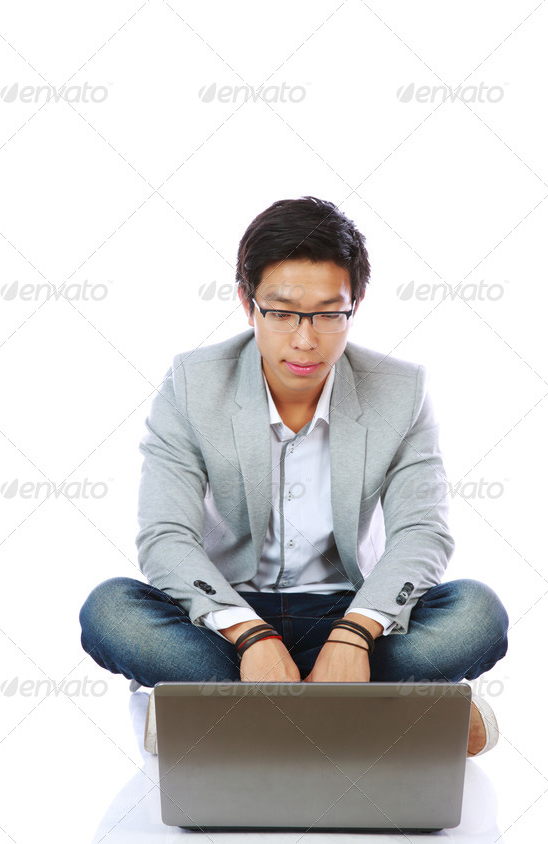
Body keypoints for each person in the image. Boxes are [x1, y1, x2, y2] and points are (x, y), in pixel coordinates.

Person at [79, 196, 509, 756]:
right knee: (110, 610)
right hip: (226, 621)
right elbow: (165, 537)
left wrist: (355, 635)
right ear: (246, 302)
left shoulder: (400, 390)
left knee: (478, 613)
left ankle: (218, 717)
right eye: (282, 312)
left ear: (355, 305)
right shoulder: (192, 383)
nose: (306, 340)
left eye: (330, 313)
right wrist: (251, 634)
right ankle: (385, 718)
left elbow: (421, 533)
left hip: (356, 614)